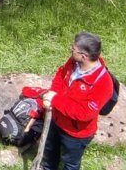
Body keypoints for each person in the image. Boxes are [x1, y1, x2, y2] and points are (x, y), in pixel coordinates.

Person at [40, 32, 114, 170]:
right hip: (56, 119)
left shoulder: (103, 84)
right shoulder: (74, 62)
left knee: (70, 163)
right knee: (50, 150)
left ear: (84, 56)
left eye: (73, 49)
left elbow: (84, 113)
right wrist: (53, 92)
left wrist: (54, 100)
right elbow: (61, 75)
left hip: (76, 133)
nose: (70, 50)